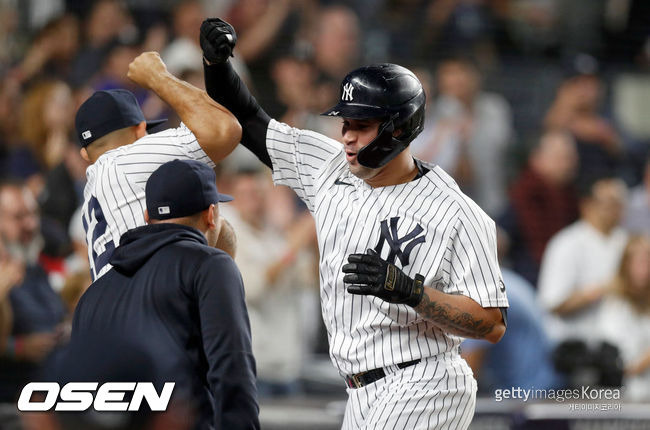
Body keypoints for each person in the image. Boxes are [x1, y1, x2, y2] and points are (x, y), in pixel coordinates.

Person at [191, 18, 507, 429]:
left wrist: (410, 292)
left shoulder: (456, 213)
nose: (347, 137)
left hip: (425, 382)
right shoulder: (328, 167)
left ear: (398, 128)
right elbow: (249, 119)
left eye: (361, 125)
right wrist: (217, 67)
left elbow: (491, 323)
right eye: (345, 123)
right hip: (360, 391)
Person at [71, 159, 259, 429]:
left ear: (148, 217)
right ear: (211, 214)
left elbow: (79, 396)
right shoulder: (210, 265)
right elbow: (231, 368)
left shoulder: (94, 294)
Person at [76, 51, 241, 280]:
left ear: (85, 154)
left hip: (107, 302)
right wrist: (158, 76)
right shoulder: (127, 159)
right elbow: (224, 130)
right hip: (139, 301)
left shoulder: (92, 192)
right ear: (140, 130)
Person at [537, 175, 628, 343]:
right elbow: (553, 304)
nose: (616, 210)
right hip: (576, 344)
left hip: (620, 343)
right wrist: (601, 290)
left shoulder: (626, 241)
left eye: (619, 203)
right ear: (587, 205)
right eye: (609, 204)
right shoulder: (566, 244)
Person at [0, 181, 66, 402]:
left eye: (32, 214)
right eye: (19, 217)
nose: (31, 224)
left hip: (56, 384)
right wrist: (18, 348)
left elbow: (56, 313)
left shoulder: (33, 265)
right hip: (14, 397)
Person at [502, 130, 580, 285]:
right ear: (536, 159)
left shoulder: (573, 198)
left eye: (571, 158)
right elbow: (498, 239)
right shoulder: (523, 197)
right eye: (561, 158)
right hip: (528, 283)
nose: (568, 164)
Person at [597, 235, 650, 401]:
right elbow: (623, 366)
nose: (645, 268)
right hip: (627, 397)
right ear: (625, 265)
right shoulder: (615, 306)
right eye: (639, 262)